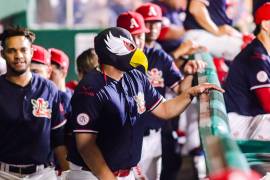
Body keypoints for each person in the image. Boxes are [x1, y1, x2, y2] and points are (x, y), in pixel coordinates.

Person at [65, 26, 223, 180]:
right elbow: (86, 146)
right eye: (128, 46)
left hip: (125, 172)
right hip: (91, 174)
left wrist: (190, 93)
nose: (135, 52)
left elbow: (165, 109)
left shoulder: (136, 77)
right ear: (110, 51)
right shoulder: (89, 89)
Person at [117, 10, 205, 180]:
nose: (137, 41)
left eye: (140, 35)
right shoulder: (112, 65)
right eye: (131, 36)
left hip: (154, 135)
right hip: (125, 139)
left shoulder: (158, 56)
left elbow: (180, 88)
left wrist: (188, 73)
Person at [0, 27, 68, 180]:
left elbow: (59, 139)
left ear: (31, 51)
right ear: (2, 54)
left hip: (43, 173)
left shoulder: (49, 88)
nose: (18, 56)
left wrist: (67, 173)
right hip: (4, 173)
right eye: (12, 51)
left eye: (23, 50)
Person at [224, 2, 270, 140]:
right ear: (266, 25)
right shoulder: (256, 56)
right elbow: (268, 104)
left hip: (249, 118)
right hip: (239, 122)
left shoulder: (262, 52)